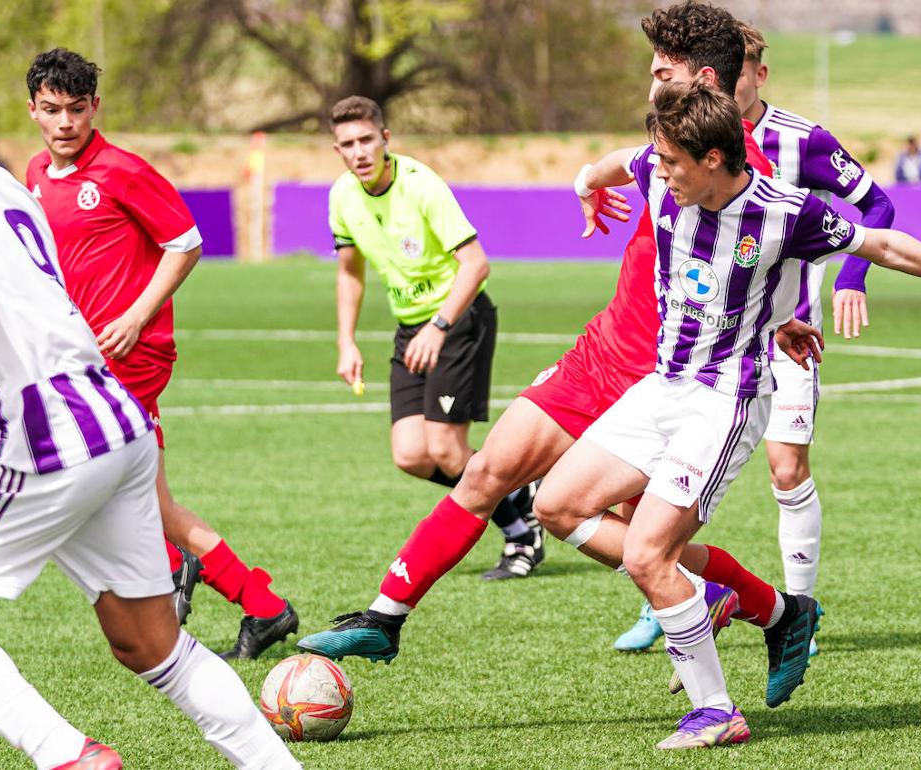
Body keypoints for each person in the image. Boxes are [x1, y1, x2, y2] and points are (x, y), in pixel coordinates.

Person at [298, 3, 806, 699]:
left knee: (638, 544)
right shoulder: (660, 143)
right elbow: (609, 169)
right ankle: (385, 617)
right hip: (600, 353)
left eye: (663, 70)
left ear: (705, 78)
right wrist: (584, 187)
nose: (651, 80)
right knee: (486, 475)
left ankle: (770, 611)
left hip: (662, 380)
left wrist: (780, 318)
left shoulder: (741, 166)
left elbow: (764, 255)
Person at [538, 79, 921, 749]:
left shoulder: (783, 211)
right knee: (556, 504)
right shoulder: (660, 169)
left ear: (713, 158)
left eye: (675, 162)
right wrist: (585, 186)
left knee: (652, 555)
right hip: (662, 386)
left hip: (724, 401)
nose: (662, 171)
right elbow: (608, 167)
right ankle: (754, 606)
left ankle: (716, 710)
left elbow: (880, 246)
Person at [0, 56, 301, 770]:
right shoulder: (2, 179)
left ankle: (66, 755)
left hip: (48, 436)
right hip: (114, 420)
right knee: (151, 646)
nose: (63, 122)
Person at [612, 18, 898, 655]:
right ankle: (668, 593)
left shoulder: (802, 141)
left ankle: (799, 609)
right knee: (639, 480)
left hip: (784, 334)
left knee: (786, 467)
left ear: (755, 75)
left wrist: (853, 277)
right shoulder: (679, 146)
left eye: (739, 73)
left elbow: (876, 208)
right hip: (702, 344)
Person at [22, 48, 296, 660]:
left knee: (100, 483)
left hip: (132, 354)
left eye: (75, 109)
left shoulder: (121, 170)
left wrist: (134, 315)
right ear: (33, 110)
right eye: (51, 110)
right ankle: (256, 601)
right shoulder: (36, 174)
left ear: (94, 107)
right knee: (140, 494)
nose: (65, 122)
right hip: (81, 358)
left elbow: (186, 242)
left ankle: (196, 578)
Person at [327, 95, 541, 581]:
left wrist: (439, 326)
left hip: (459, 319)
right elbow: (349, 273)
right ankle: (514, 492)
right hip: (411, 328)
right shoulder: (341, 196)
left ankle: (521, 533)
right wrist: (346, 341)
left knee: (445, 449)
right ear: (336, 150)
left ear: (385, 139)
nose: (359, 152)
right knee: (409, 455)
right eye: (347, 144)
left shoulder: (421, 186)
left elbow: (476, 264)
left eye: (366, 140)